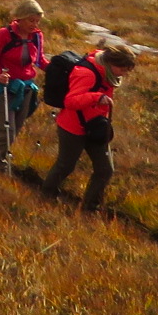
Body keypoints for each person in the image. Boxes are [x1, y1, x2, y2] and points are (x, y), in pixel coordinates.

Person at [43, 44, 137, 213]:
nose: (124, 73)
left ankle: (89, 209)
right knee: (65, 166)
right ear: (111, 63)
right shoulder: (86, 73)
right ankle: (46, 196)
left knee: (105, 170)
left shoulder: (105, 72)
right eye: (123, 69)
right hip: (73, 127)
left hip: (95, 126)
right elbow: (70, 101)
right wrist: (96, 97)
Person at [0, 0, 46, 166]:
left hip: (27, 88)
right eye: (31, 20)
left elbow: (39, 60)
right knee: (7, 129)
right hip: (5, 88)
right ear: (20, 18)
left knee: (16, 129)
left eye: (37, 21)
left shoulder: (37, 36)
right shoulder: (4, 34)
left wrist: (59, 70)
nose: (34, 24)